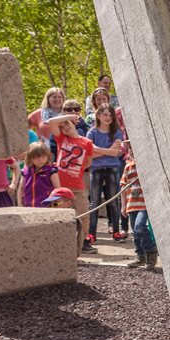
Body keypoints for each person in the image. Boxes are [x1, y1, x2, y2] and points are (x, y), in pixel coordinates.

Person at [49, 113, 103, 253]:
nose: (65, 127)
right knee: (61, 212)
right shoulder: (62, 139)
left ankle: (85, 240)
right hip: (61, 185)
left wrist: (74, 171)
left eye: (67, 123)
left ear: (74, 124)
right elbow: (52, 122)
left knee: (83, 213)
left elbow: (88, 162)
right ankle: (62, 240)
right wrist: (70, 116)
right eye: (62, 126)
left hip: (77, 184)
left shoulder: (86, 143)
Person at [86, 105, 125, 242]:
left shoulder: (117, 132)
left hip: (112, 168)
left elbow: (116, 152)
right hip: (96, 169)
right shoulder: (92, 132)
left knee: (113, 200)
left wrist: (98, 151)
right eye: (105, 115)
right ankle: (91, 233)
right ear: (98, 116)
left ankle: (116, 231)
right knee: (94, 202)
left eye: (110, 115)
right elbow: (89, 152)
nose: (108, 118)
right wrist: (108, 151)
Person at [120, 143, 159, 270]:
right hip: (132, 204)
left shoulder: (147, 166)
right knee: (135, 232)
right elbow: (123, 188)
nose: (133, 151)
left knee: (140, 226)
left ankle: (151, 251)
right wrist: (123, 206)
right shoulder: (128, 167)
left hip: (144, 203)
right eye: (130, 148)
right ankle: (140, 256)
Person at [41, 186, 81, 258]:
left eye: (55, 204)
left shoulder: (73, 220)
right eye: (50, 204)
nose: (52, 207)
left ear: (68, 204)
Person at [19, 141, 61, 208]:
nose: (40, 159)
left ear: (48, 156)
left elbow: (57, 189)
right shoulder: (26, 171)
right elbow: (21, 189)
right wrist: (20, 204)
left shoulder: (51, 171)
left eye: (43, 156)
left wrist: (55, 205)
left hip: (46, 207)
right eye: (36, 157)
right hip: (28, 207)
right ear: (30, 158)